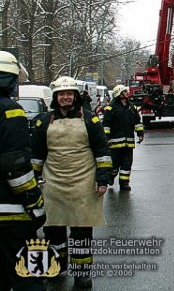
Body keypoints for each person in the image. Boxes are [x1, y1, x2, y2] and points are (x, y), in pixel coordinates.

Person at [31, 76, 112, 289]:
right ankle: (57, 266)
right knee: (53, 228)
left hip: (83, 182)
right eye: (61, 94)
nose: (65, 98)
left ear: (75, 96)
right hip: (52, 183)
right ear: (55, 98)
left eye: (69, 94)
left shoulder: (90, 120)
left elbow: (102, 152)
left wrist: (103, 179)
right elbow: (37, 155)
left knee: (81, 231)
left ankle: (82, 273)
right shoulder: (42, 121)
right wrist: (32, 182)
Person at [0, 51, 46, 291]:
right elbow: (16, 168)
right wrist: (35, 202)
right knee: (29, 275)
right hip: (10, 216)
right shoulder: (12, 111)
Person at [102, 84, 144, 191]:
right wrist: (105, 137)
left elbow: (137, 122)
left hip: (128, 143)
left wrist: (140, 133)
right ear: (119, 94)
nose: (127, 93)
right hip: (115, 143)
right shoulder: (111, 108)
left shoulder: (131, 107)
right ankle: (111, 176)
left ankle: (124, 183)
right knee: (114, 164)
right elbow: (106, 124)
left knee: (127, 164)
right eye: (124, 92)